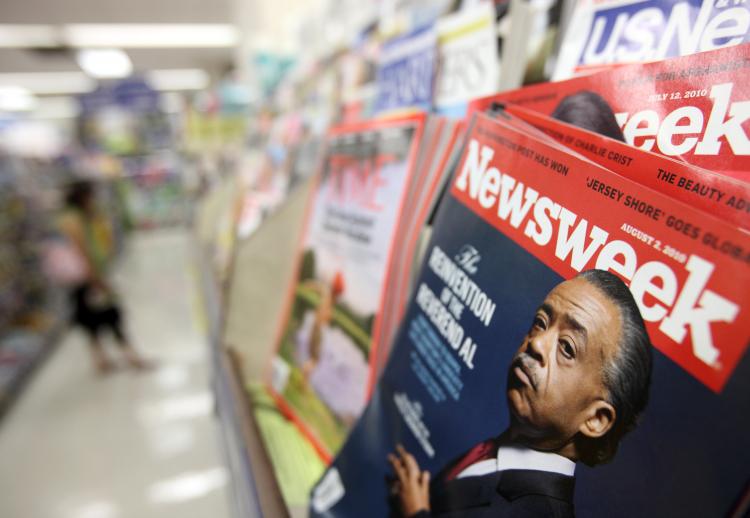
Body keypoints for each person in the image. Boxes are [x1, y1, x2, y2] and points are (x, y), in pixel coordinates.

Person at [388, 269, 652, 517]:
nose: (536, 343)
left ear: (596, 419)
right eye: (541, 322)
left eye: (567, 348)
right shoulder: (496, 450)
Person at [59, 181, 148, 374]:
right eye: (92, 196)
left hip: (81, 279)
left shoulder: (72, 217)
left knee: (90, 321)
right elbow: (83, 251)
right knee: (111, 316)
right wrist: (96, 279)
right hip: (89, 277)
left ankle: (101, 360)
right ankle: (130, 356)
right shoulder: (74, 220)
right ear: (83, 197)